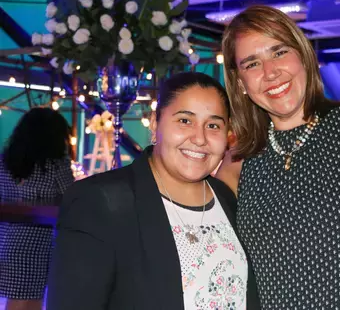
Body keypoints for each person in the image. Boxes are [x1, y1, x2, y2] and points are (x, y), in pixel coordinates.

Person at [47, 72, 260, 310]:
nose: (199, 138)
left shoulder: (227, 199)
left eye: (213, 125)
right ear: (156, 122)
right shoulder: (100, 201)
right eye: (184, 120)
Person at [217, 4, 340, 309]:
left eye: (279, 52)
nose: (270, 73)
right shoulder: (239, 161)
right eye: (252, 64)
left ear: (303, 55)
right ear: (240, 82)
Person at [0, 107, 74, 310]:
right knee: (30, 302)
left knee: (17, 301)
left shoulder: (5, 162)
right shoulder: (55, 165)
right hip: (36, 243)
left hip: (6, 240)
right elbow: (73, 197)